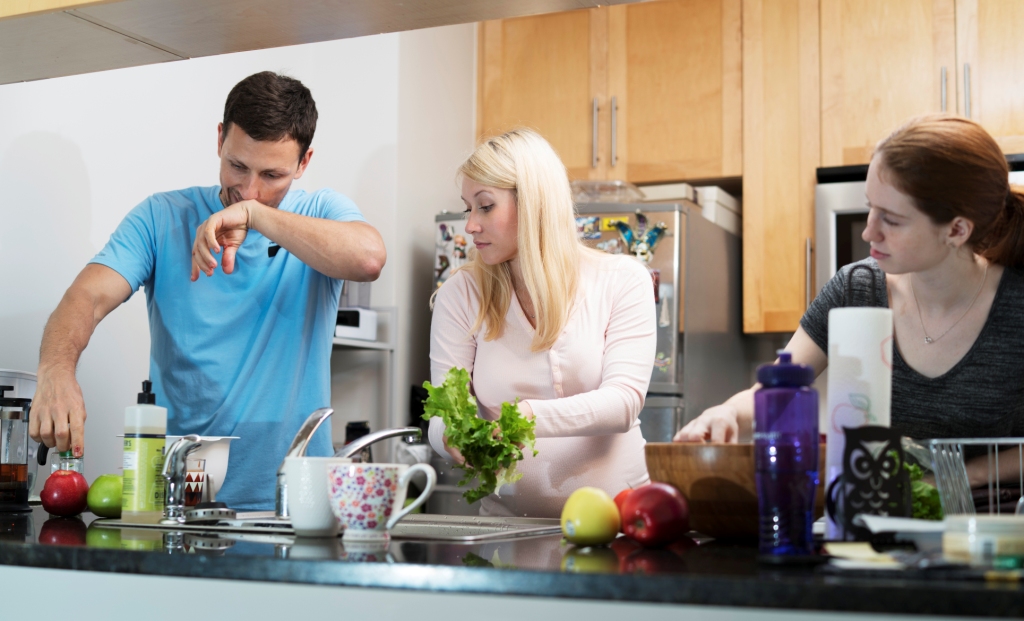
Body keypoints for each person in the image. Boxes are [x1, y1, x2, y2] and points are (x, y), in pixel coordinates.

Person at [30, 71, 387, 510]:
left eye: (272, 174)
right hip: (185, 503)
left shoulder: (320, 213)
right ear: (220, 139)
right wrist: (56, 371)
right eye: (237, 166)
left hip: (298, 506)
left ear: (304, 162)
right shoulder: (161, 217)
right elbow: (84, 298)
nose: (250, 188)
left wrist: (253, 215)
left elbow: (369, 258)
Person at [675, 114, 1024, 485]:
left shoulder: (1016, 305)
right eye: (870, 206)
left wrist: (953, 480)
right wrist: (728, 413)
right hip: (878, 526)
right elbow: (781, 386)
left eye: (891, 218)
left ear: (956, 230)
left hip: (995, 532)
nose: (870, 230)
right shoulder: (855, 289)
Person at [428, 129, 657, 518]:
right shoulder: (460, 294)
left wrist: (524, 417)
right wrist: (447, 434)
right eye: (468, 208)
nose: (470, 226)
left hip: (620, 521)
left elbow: (622, 404)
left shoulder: (622, 279)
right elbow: (445, 412)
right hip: (505, 528)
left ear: (534, 204)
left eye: (485, 207)